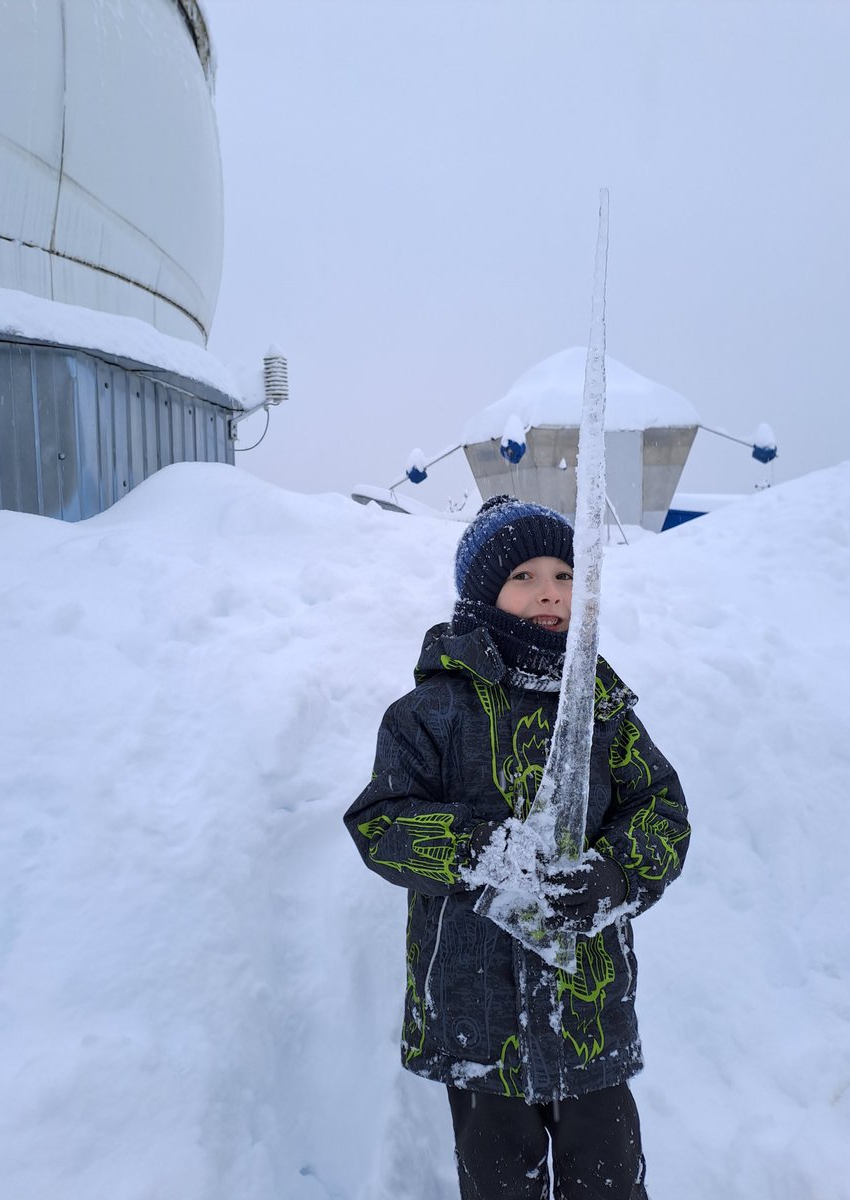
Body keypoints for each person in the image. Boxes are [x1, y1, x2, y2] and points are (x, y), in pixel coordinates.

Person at [344, 494, 690, 1200]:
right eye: (525, 576)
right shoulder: (433, 710)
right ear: (482, 594)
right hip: (476, 1018)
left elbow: (663, 808)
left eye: (565, 576)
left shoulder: (601, 709)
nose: (549, 593)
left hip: (589, 1014)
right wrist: (478, 853)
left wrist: (615, 875)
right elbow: (380, 820)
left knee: (610, 1183)